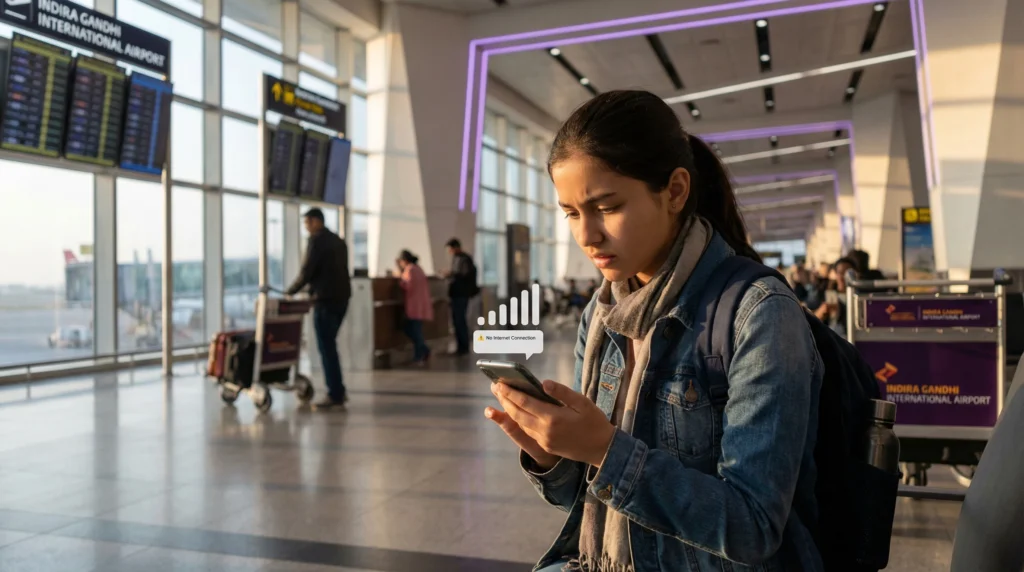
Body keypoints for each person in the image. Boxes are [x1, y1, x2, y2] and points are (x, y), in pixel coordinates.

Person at [484, 90, 823, 571]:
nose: (587, 235)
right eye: (571, 213)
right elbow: (589, 501)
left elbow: (753, 527)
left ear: (676, 192)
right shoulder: (601, 314)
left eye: (607, 206)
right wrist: (554, 457)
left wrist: (603, 447)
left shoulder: (759, 314)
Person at [287, 208, 351, 410]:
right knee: (330, 345)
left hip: (325, 300)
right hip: (342, 298)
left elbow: (307, 270)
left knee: (327, 348)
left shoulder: (317, 240)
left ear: (316, 221)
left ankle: (335, 394)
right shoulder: (338, 241)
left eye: (307, 223)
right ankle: (337, 390)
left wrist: (291, 291)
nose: (306, 227)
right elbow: (332, 271)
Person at [442, 238, 478, 356]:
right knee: (457, 321)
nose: (449, 252)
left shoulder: (464, 259)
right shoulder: (457, 259)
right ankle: (460, 346)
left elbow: (464, 275)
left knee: (460, 320)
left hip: (461, 294)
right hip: (456, 294)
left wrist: (451, 274)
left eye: (450, 249)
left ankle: (463, 347)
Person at [396, 250, 433, 366]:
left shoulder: (410, 270)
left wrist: (400, 279)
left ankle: (419, 355)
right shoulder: (419, 269)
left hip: (414, 305)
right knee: (416, 330)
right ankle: (424, 350)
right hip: (420, 305)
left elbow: (408, 285)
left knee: (414, 331)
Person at [815, 257, 856, 338]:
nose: (843, 276)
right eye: (840, 272)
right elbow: (811, 320)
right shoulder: (824, 295)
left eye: (847, 273)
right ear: (835, 274)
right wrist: (821, 312)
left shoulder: (859, 297)